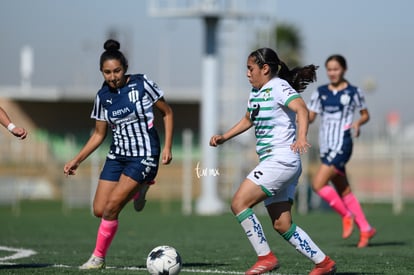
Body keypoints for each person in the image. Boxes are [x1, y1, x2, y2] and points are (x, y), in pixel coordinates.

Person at [210, 48, 336, 275]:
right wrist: (225, 137)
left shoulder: (278, 86)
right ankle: (323, 263)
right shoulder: (256, 91)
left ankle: (266, 257)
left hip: (281, 160)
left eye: (251, 68)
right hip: (275, 162)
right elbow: (248, 119)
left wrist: (301, 137)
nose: (247, 73)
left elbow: (302, 109)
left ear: (265, 68)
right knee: (282, 224)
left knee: (239, 203)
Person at [63, 39, 174, 269]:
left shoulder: (143, 84)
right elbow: (98, 134)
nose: (113, 76)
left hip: (144, 154)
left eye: (117, 71)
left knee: (112, 207)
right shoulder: (102, 97)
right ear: (101, 72)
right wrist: (77, 160)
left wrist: (168, 147)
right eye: (107, 72)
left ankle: (98, 258)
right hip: (117, 155)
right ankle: (140, 189)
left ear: (125, 68)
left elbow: (168, 112)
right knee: (99, 210)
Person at [307, 54, 376, 248]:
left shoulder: (354, 92)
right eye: (329, 69)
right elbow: (310, 117)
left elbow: (365, 115)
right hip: (326, 146)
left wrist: (357, 123)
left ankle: (347, 215)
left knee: (318, 184)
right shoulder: (320, 92)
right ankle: (366, 228)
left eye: (336, 69)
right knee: (343, 190)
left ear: (344, 70)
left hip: (343, 144)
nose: (332, 73)